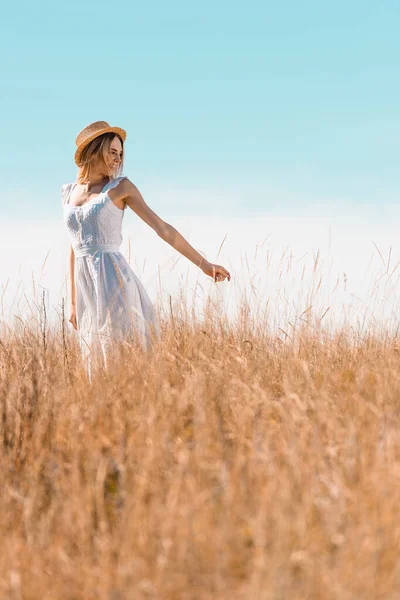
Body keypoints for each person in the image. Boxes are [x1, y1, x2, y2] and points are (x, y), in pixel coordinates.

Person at [62, 120, 231, 379]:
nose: (117, 160)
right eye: (112, 152)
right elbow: (74, 246)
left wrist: (204, 264)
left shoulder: (120, 188)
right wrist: (73, 302)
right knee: (93, 365)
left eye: (120, 154)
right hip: (86, 290)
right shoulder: (70, 193)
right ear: (94, 150)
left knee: (121, 357)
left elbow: (163, 229)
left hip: (113, 282)